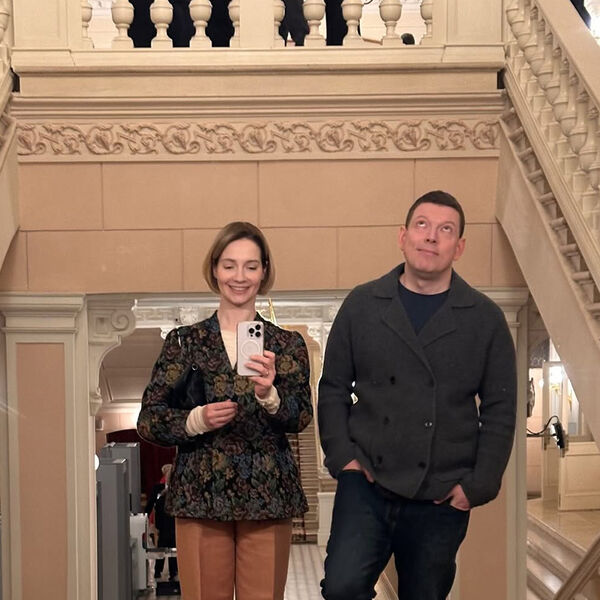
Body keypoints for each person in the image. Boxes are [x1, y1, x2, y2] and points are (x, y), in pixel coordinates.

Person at [318, 190, 517, 600]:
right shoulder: (362, 304)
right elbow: (333, 386)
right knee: (341, 588)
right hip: (366, 482)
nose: (431, 236)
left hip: (441, 494)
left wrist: (478, 485)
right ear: (403, 236)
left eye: (446, 230)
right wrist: (343, 459)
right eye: (422, 225)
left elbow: (500, 409)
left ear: (459, 247)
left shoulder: (485, 318)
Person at [137, 221, 312, 600]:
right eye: (230, 265)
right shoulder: (184, 343)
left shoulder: (287, 344)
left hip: (267, 496)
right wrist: (195, 420)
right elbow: (149, 419)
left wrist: (269, 395)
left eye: (251, 266)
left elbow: (301, 416)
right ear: (215, 269)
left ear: (264, 271)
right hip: (201, 495)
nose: (240, 276)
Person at [145, 464, 178, 582]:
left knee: (171, 547)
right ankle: (159, 572)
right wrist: (146, 517)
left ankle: (172, 573)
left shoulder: (177, 489)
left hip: (171, 522)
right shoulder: (158, 488)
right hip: (163, 523)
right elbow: (151, 504)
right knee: (163, 547)